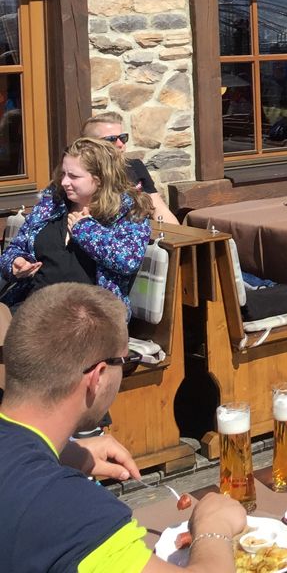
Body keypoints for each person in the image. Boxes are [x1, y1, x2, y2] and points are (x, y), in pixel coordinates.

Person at [1, 283, 251, 573]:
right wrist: (213, 526)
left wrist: (58, 453)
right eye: (127, 361)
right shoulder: (68, 509)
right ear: (98, 377)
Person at [3, 138, 152, 314]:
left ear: (100, 179)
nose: (65, 181)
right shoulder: (52, 204)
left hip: (89, 317)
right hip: (33, 307)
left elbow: (127, 261)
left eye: (73, 176)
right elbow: (15, 248)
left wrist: (84, 229)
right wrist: (16, 263)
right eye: (63, 173)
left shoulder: (129, 212)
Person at [82, 114, 176, 225]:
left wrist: (181, 237)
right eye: (111, 139)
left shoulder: (135, 167)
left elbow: (158, 208)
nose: (120, 144)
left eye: (122, 138)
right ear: (89, 144)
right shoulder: (83, 175)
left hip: (140, 235)